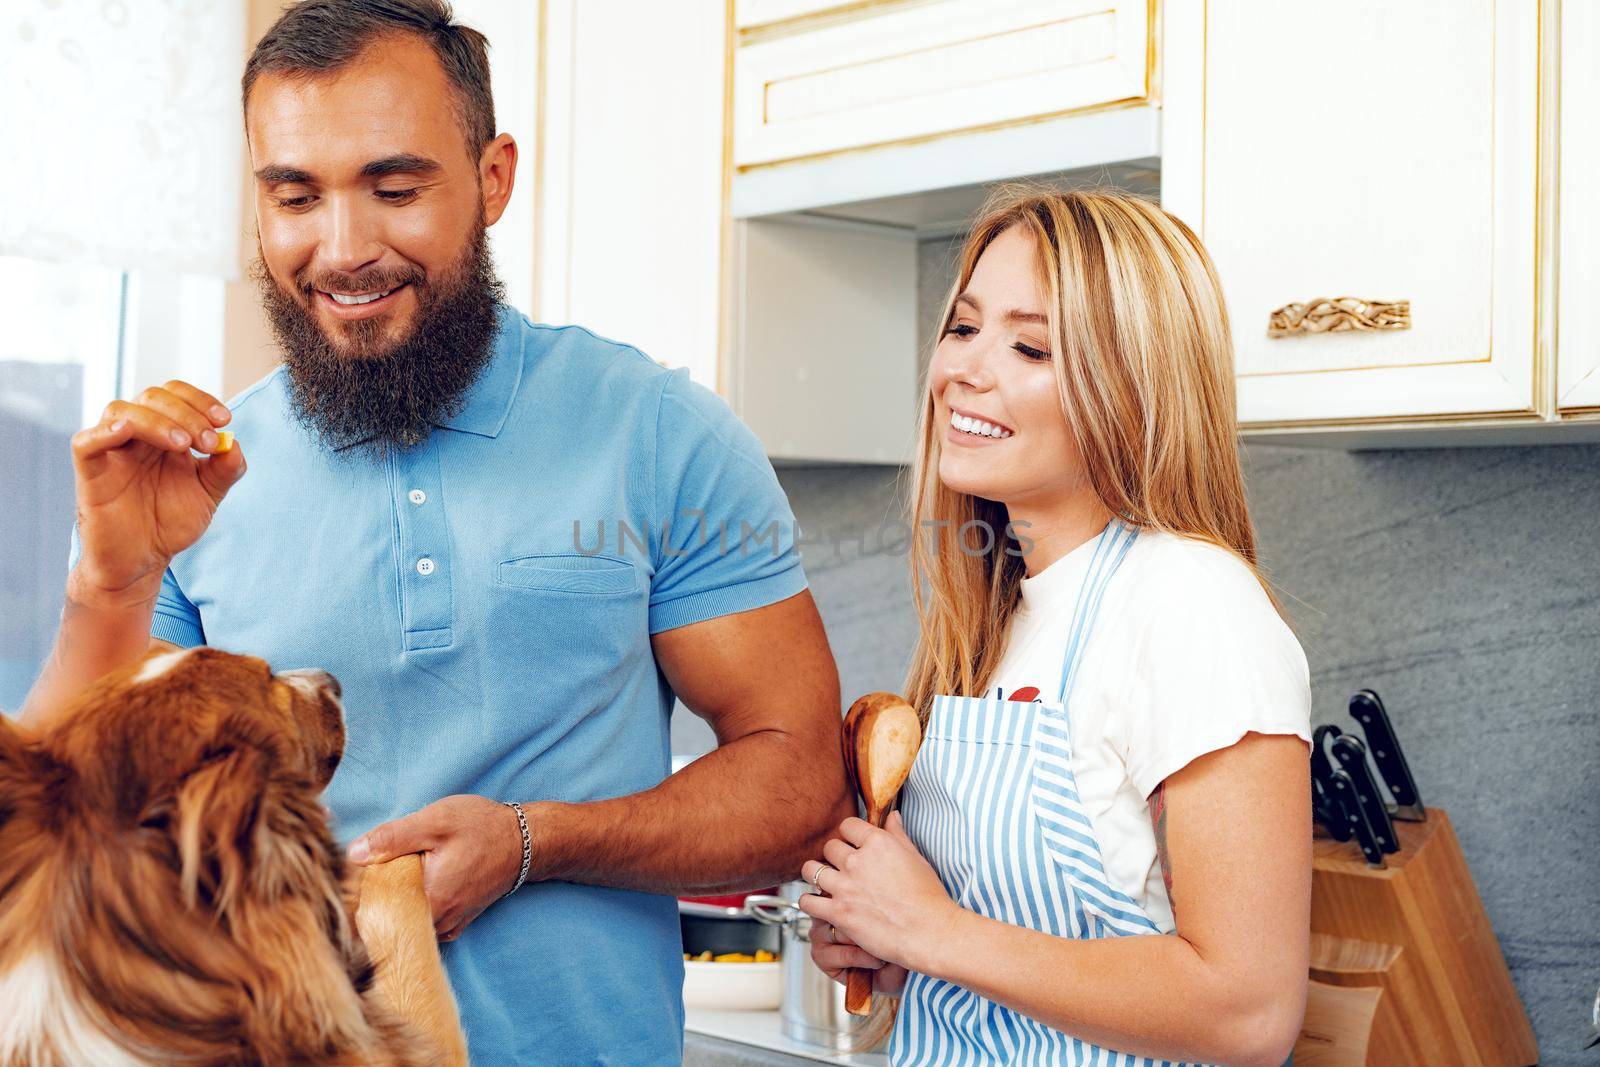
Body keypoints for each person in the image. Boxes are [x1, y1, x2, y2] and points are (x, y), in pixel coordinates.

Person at [18, 1, 851, 1062]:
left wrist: (533, 842)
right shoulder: (202, 478)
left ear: (493, 178)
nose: (345, 247)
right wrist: (113, 577)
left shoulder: (655, 433)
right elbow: (60, 819)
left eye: (396, 188)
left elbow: (794, 776)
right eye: (295, 196)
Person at [799, 188, 1311, 1067]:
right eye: (963, 329)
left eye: (1030, 345)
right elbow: (1006, 952)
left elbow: (1248, 1012)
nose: (968, 367)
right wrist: (890, 948)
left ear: (1134, 387)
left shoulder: (1190, 602)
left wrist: (934, 932)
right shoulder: (997, 614)